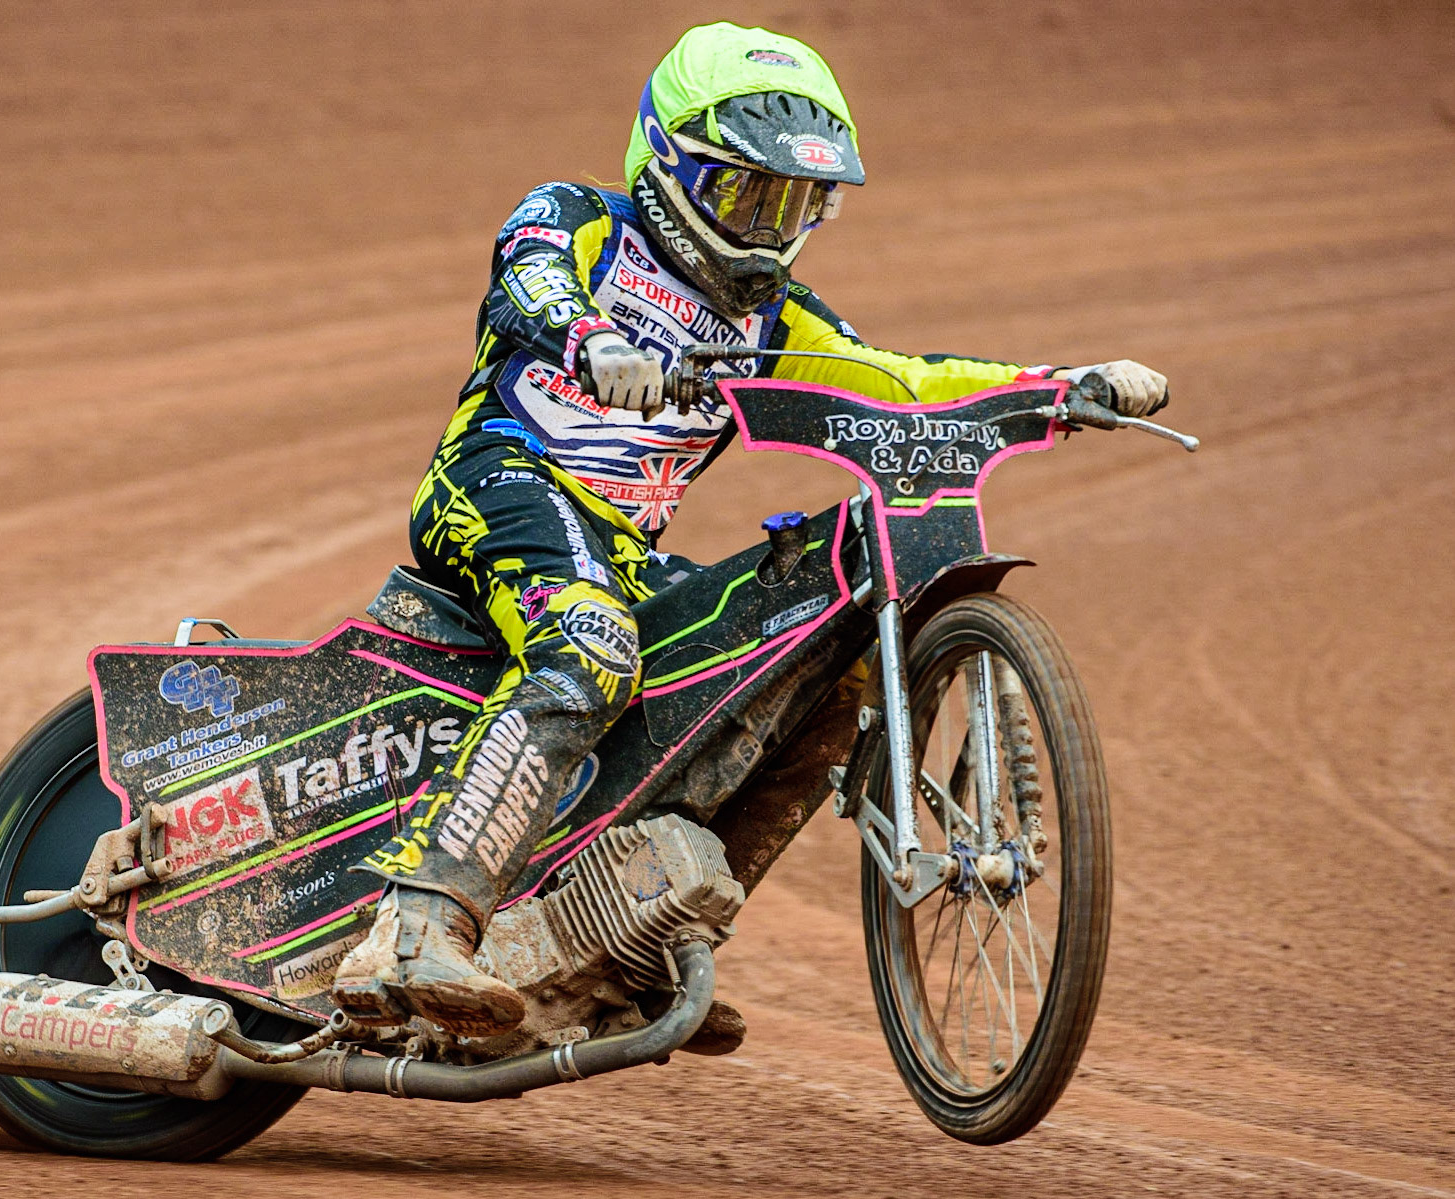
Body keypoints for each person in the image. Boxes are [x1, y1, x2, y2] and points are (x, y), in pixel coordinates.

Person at [332, 21, 1168, 1036]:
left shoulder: (778, 320)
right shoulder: (577, 219)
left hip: (621, 549)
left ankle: (634, 941)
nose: (769, 228)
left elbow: (900, 383)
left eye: (796, 202)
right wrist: (589, 340)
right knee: (589, 645)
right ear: (668, 164)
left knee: (800, 659)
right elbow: (530, 279)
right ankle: (416, 926)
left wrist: (1060, 388)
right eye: (746, 194)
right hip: (499, 480)